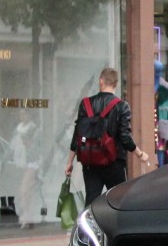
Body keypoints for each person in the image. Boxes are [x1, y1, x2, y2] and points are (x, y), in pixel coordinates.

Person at [64, 66, 150, 206]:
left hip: (90, 162)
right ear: (116, 84)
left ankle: (91, 227)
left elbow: (77, 135)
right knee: (118, 202)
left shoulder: (85, 104)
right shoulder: (122, 106)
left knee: (91, 202)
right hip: (114, 162)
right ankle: (114, 227)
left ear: (101, 82)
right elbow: (125, 138)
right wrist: (140, 155)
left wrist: (69, 162)